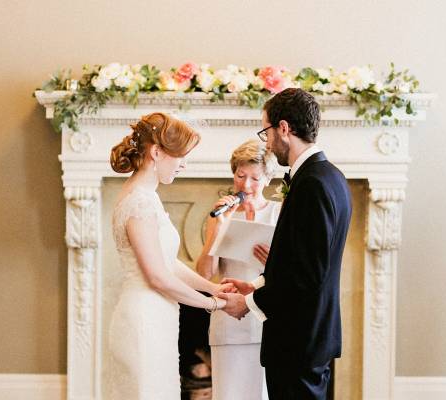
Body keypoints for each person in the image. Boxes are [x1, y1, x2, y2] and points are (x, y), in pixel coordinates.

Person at [218, 88, 352, 400]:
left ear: (284, 129)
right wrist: (257, 284)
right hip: (308, 336)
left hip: (298, 340)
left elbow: (307, 275)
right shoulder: (329, 176)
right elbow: (299, 260)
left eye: (266, 131)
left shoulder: (312, 184)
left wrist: (249, 303)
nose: (266, 141)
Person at [107, 112, 235, 400]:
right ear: (156, 152)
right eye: (180, 156)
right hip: (143, 321)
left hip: (157, 317)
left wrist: (213, 287)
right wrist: (212, 304)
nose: (184, 164)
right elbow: (157, 277)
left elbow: (167, 263)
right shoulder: (139, 201)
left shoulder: (146, 196)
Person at [196, 139, 280, 400]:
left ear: (267, 178)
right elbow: (203, 275)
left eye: (255, 178)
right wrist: (217, 232)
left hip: (267, 319)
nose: (246, 185)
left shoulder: (280, 213)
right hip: (228, 320)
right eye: (240, 176)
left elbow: (293, 273)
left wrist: (272, 263)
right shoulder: (222, 214)